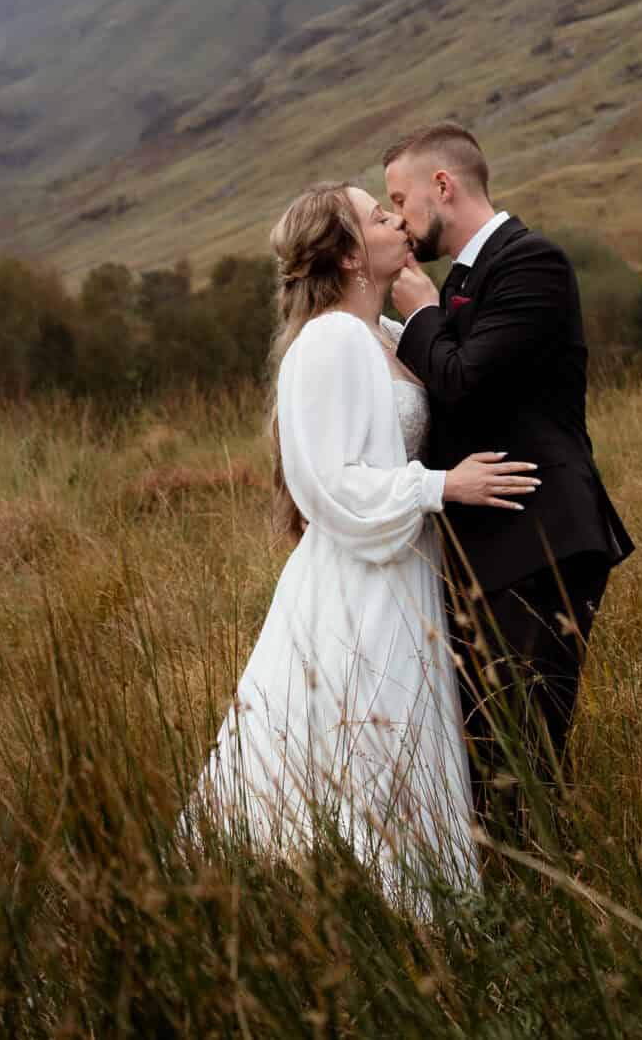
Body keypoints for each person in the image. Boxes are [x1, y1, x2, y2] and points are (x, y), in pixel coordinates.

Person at [181, 181, 539, 915]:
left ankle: (406, 910)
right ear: (348, 255)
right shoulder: (330, 340)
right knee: (365, 746)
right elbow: (330, 485)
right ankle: (356, 908)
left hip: (404, 571)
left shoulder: (385, 335)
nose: (397, 220)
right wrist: (443, 486)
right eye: (378, 215)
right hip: (360, 584)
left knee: (397, 746)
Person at [383, 122, 635, 847]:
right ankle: (500, 885)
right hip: (485, 548)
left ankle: (545, 892)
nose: (398, 219)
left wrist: (420, 313)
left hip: (541, 539)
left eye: (399, 200)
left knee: (524, 755)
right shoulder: (460, 280)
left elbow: (465, 379)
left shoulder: (531, 261)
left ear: (443, 186)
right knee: (485, 755)